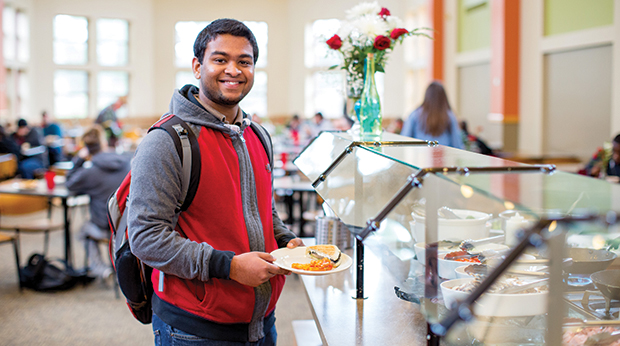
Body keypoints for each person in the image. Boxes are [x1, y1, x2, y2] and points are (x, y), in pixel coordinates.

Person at [126, 19, 303, 345]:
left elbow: (262, 209)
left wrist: (286, 239)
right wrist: (229, 266)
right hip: (194, 329)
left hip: (262, 322)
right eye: (220, 59)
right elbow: (146, 237)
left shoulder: (257, 135)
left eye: (244, 61)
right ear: (197, 66)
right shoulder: (167, 141)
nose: (233, 70)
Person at [65, 125, 131, 278]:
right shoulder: (126, 163)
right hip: (128, 225)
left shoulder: (89, 173)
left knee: (82, 231)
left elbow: (69, 183)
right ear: (104, 143)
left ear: (86, 148)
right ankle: (117, 265)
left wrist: (79, 159)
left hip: (104, 226)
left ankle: (101, 269)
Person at [401, 81, 464, 149]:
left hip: (419, 156)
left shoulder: (415, 114)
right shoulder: (450, 116)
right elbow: (457, 144)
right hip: (443, 157)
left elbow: (405, 139)